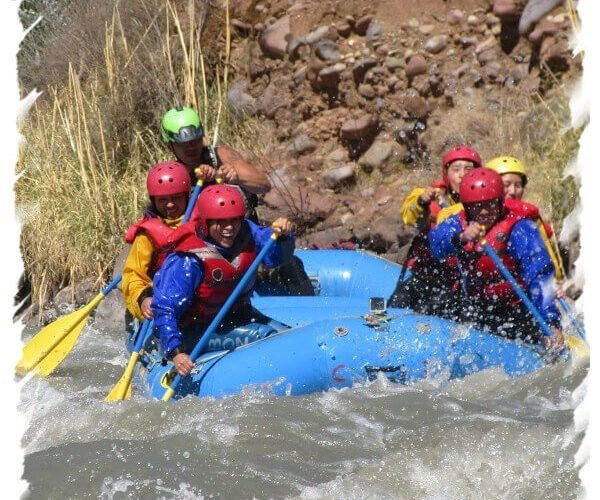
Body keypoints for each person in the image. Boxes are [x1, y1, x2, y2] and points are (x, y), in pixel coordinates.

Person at [151, 184, 295, 376]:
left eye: (234, 220)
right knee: (264, 336)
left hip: (237, 315)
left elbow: (274, 258)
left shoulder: (247, 232)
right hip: (194, 330)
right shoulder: (188, 260)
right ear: (205, 223)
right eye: (221, 222)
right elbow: (165, 308)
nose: (229, 228)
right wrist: (176, 353)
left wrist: (283, 236)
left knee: (289, 335)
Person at [428, 167, 564, 349]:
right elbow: (436, 244)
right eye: (477, 206)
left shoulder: (519, 228)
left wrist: (551, 323)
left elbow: (539, 275)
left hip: (518, 309)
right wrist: (461, 237)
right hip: (476, 307)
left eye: (490, 204)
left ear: (500, 202)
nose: (484, 212)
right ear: (467, 207)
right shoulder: (458, 223)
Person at [387, 145, 482, 313]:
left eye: (468, 169)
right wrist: (421, 203)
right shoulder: (428, 196)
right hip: (424, 275)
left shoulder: (484, 206)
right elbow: (408, 217)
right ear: (446, 174)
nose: (462, 175)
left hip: (455, 284)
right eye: (456, 169)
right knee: (394, 307)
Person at [160, 106, 271, 222]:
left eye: (195, 140)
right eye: (184, 144)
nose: (191, 147)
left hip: (244, 232)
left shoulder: (222, 156)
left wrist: (237, 177)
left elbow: (265, 185)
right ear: (169, 145)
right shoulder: (171, 176)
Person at [122, 161, 194, 321]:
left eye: (176, 197)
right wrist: (143, 299)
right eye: (163, 199)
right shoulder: (147, 235)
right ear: (154, 200)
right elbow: (133, 274)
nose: (170, 204)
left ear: (187, 196)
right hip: (160, 300)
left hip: (195, 298)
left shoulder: (201, 222)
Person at [487, 155, 564, 284]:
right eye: (506, 185)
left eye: (518, 185)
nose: (512, 191)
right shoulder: (477, 217)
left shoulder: (527, 219)